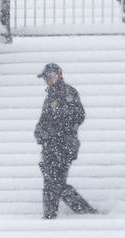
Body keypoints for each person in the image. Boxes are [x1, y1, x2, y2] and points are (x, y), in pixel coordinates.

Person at [34, 63, 97, 219]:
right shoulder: (50, 95)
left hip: (64, 145)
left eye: (50, 77)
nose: (47, 81)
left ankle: (51, 215)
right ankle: (83, 211)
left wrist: (58, 128)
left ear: (58, 75)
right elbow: (44, 119)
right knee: (55, 182)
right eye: (46, 78)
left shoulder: (68, 92)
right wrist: (40, 131)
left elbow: (79, 115)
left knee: (53, 182)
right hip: (50, 145)